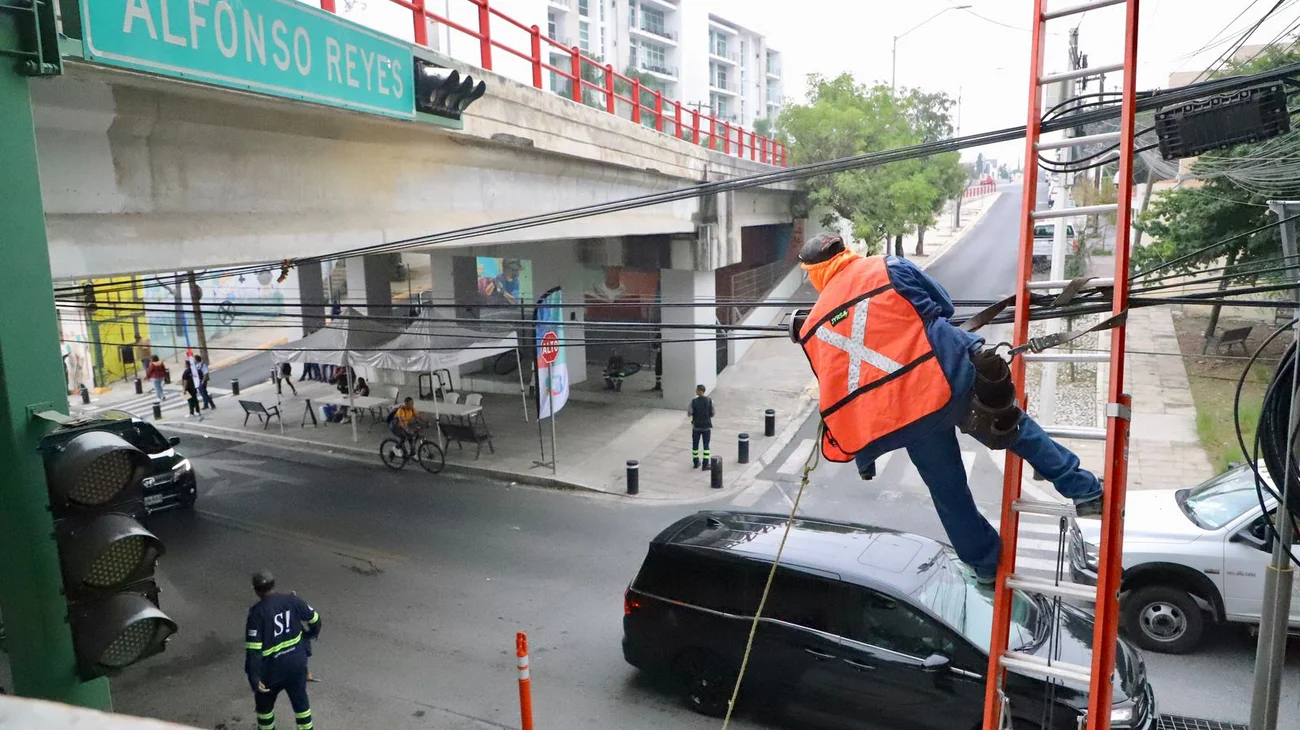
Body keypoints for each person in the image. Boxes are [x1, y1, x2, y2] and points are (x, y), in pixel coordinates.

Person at [794, 233, 1103, 584]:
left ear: (814, 272)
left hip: (907, 416)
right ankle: (1084, 491)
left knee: (948, 492)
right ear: (845, 253)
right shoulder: (887, 267)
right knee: (1016, 431)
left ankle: (985, 564)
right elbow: (944, 305)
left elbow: (840, 387)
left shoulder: (814, 327)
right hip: (951, 377)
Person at [245, 571, 320, 730]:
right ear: (274, 584)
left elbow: (254, 651)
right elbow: (315, 620)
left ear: (256, 590)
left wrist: (254, 677)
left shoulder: (257, 613)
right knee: (301, 706)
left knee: (265, 710)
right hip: (296, 666)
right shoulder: (292, 600)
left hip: (270, 671)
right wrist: (308, 636)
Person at [688, 384, 715, 470]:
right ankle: (705, 464)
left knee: (695, 445)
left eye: (697, 390)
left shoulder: (693, 402)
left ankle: (696, 462)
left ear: (700, 391)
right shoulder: (710, 401)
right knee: (706, 446)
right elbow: (713, 413)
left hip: (696, 427)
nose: (696, 391)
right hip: (706, 427)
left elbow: (689, 413)